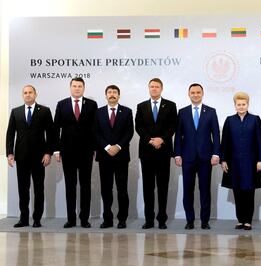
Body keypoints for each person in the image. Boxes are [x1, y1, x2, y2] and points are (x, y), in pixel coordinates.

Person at [6, 85, 55, 228]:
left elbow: (51, 134)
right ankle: (24, 219)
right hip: (21, 157)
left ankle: (37, 219)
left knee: (39, 189)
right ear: (23, 95)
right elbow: (10, 134)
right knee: (23, 189)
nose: (28, 95)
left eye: (30, 92)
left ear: (35, 94)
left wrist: (48, 153)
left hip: (39, 157)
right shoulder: (16, 112)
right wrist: (10, 153)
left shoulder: (45, 111)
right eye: (25, 93)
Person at [174, 83, 220, 230]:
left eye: (198, 92)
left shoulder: (211, 111)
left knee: (205, 190)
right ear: (189, 94)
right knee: (188, 190)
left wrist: (216, 153)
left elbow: (216, 135)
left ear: (202, 93)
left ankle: (205, 221)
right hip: (187, 157)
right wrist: (177, 154)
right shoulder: (182, 112)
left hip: (206, 157)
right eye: (192, 92)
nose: (195, 95)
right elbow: (178, 135)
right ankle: (190, 220)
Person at [54, 77, 98, 228]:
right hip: (67, 152)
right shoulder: (61, 104)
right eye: (74, 86)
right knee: (70, 185)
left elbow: (95, 129)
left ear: (84, 88)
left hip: (86, 152)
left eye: (80, 86)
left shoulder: (92, 105)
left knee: (85, 186)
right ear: (70, 87)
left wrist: (94, 149)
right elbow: (55, 129)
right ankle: (71, 219)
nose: (77, 88)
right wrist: (56, 150)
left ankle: (84, 219)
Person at [135, 78, 177, 229]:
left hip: (163, 151)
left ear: (161, 88)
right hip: (147, 151)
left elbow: (173, 126)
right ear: (148, 88)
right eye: (151, 86)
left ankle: (162, 220)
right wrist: (151, 140)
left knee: (163, 186)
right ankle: (149, 220)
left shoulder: (171, 105)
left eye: (156, 86)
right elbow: (138, 127)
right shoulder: (141, 106)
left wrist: (162, 139)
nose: (154, 89)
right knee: (148, 187)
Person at [220, 92, 261, 230]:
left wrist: (260, 160)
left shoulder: (255, 119)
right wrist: (223, 160)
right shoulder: (229, 120)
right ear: (235, 105)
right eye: (238, 104)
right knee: (237, 191)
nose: (241, 107)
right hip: (233, 162)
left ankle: (248, 221)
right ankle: (240, 220)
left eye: (243, 104)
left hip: (251, 162)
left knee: (249, 192)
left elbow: (260, 141)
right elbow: (225, 142)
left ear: (248, 105)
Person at [94, 85, 134, 229]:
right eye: (109, 92)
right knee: (106, 189)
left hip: (121, 156)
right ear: (106, 95)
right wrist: (106, 147)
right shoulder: (98, 112)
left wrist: (117, 147)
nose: (112, 95)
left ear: (119, 95)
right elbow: (96, 132)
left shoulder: (127, 112)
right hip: (104, 157)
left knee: (122, 189)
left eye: (114, 92)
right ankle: (107, 219)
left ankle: (122, 219)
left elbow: (129, 132)